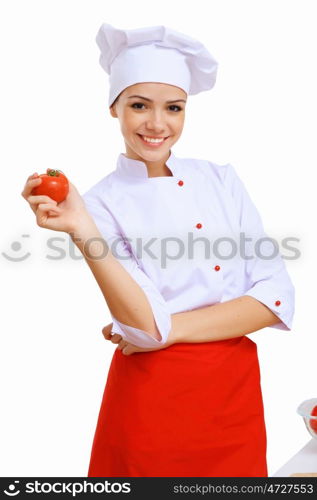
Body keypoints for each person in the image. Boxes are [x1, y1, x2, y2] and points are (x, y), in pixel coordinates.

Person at [21, 23, 295, 477]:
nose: (156, 123)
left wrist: (164, 326)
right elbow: (145, 330)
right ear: (114, 108)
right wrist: (80, 228)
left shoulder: (221, 179)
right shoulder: (98, 205)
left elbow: (277, 298)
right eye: (138, 105)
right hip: (149, 400)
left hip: (233, 393)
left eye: (173, 108)